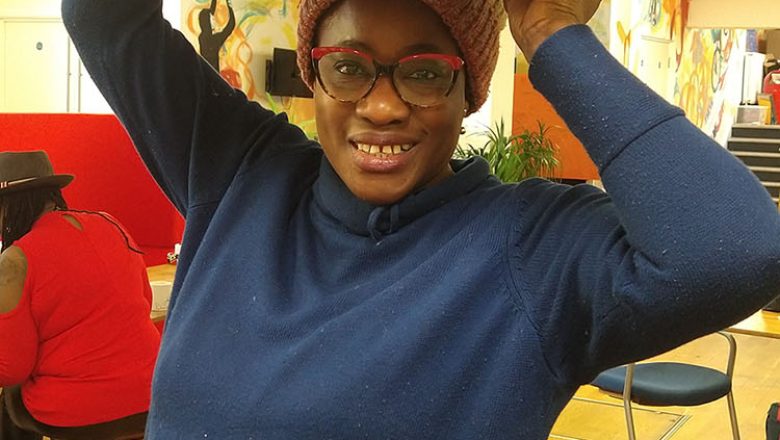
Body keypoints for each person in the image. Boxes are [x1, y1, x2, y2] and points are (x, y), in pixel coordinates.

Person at [62, 0, 780, 437]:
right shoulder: (239, 171)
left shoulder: (532, 250)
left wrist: (549, 32)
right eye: (349, 66)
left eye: (425, 71)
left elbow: (736, 250)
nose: (381, 105)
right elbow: (101, 16)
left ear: (468, 91)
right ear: (313, 74)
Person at [0, 151, 160, 439]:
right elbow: (144, 301)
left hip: (82, 413)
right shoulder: (110, 224)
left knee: (12, 395)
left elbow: (11, 368)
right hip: (154, 395)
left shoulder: (15, 261)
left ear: (8, 206)